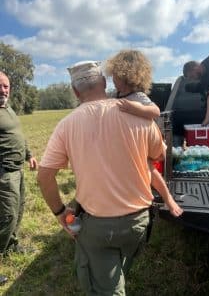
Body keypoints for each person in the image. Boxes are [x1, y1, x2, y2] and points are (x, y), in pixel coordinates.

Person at [37, 61, 183, 296]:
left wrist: (59, 212)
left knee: (107, 288)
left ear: (75, 91)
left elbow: (44, 176)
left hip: (97, 228)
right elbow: (158, 155)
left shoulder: (66, 125)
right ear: (105, 83)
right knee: (119, 269)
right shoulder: (138, 114)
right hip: (139, 223)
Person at [104, 49, 180, 211]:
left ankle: (169, 200)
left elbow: (155, 111)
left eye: (115, 76)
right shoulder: (116, 94)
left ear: (128, 76)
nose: (113, 80)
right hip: (124, 141)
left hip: (141, 142)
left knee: (149, 170)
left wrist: (135, 108)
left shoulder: (138, 96)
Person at [0, 72, 38, 284]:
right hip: (3, 173)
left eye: (6, 86)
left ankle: (11, 245)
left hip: (17, 171)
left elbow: (18, 135)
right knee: (5, 217)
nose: (3, 90)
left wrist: (29, 155)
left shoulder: (8, 109)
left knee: (18, 209)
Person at [183, 51, 209, 150]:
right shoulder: (205, 79)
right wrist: (207, 119)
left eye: (192, 76)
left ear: (195, 68)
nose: (193, 79)